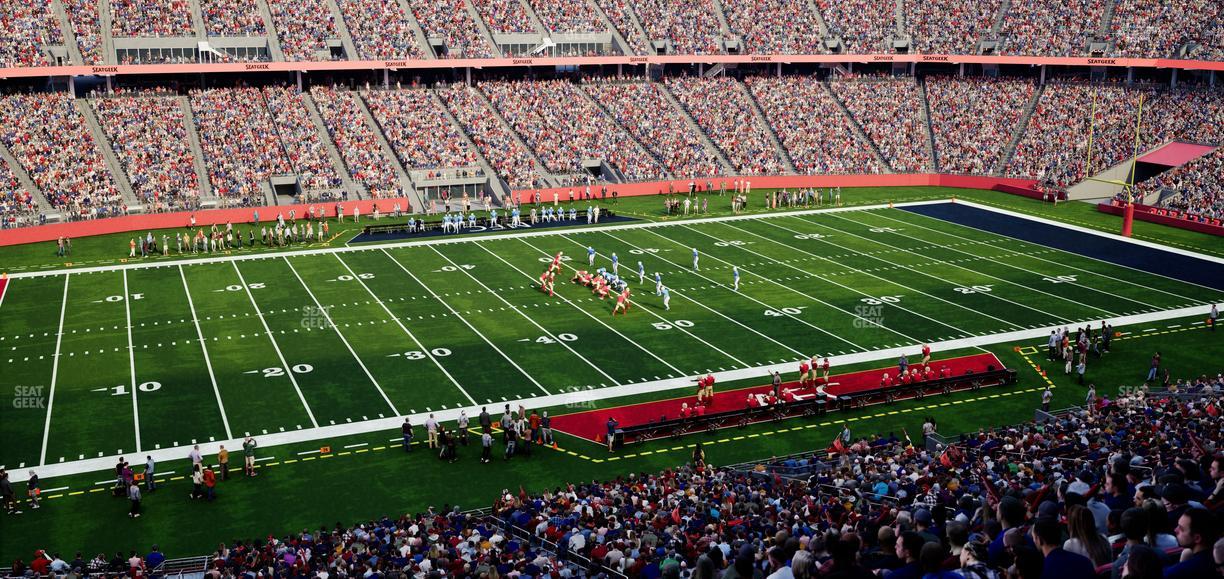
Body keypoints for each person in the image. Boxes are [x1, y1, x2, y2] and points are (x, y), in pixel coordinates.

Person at [1164, 508, 1218, 579]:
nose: (1175, 530)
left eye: (1181, 529)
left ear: (1197, 538)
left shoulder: (1175, 573)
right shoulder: (1219, 558)